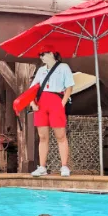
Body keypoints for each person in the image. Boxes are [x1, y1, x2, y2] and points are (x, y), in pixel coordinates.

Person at [29, 45, 75, 177]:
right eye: (40, 54)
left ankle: (64, 166)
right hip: (41, 103)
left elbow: (69, 87)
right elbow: (32, 88)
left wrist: (62, 103)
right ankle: (42, 166)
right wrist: (32, 103)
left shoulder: (63, 67)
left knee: (60, 135)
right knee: (42, 137)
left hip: (56, 100)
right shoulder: (41, 70)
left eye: (43, 54)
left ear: (52, 53)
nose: (41, 57)